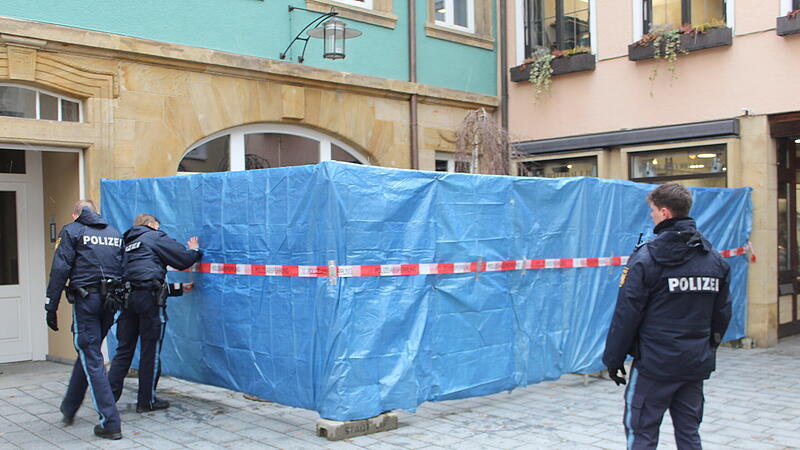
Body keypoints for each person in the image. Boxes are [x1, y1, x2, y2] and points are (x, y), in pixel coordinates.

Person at [603, 182, 732, 449]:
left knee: (642, 432)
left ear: (664, 213)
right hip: (693, 363)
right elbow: (722, 315)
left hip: (654, 365)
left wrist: (613, 359)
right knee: (689, 433)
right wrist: (705, 347)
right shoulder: (714, 260)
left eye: (652, 210)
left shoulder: (645, 259)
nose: (651, 216)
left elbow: (627, 314)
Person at [45, 200, 124, 440]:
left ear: (75, 214)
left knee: (91, 355)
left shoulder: (72, 230)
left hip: (87, 300)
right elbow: (123, 267)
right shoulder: (113, 232)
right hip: (110, 302)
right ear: (96, 212)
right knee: (88, 350)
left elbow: (60, 269)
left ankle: (110, 422)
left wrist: (51, 305)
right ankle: (69, 407)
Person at [107, 213, 202, 413]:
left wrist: (176, 288)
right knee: (150, 351)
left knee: (123, 351)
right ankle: (146, 401)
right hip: (149, 303)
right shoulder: (153, 236)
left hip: (127, 301)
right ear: (151, 225)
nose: (159, 229)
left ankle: (106, 401)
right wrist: (194, 250)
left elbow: (140, 276)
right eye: (158, 226)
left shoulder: (125, 242)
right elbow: (183, 259)